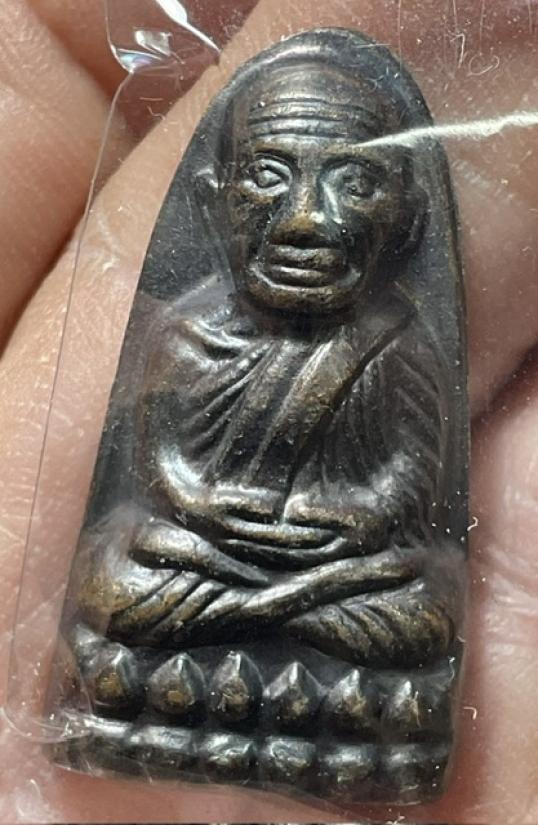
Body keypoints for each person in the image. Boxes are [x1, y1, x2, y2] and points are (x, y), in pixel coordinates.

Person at [0, 1, 537, 822]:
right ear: (216, 199)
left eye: (354, 183)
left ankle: (211, 686)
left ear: (405, 211)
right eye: (269, 177)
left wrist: (341, 531)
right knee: (117, 581)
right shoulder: (186, 332)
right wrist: (223, 521)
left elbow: (405, 488)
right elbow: (165, 473)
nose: (308, 221)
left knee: (419, 610)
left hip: (336, 567)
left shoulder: (398, 347)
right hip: (210, 553)